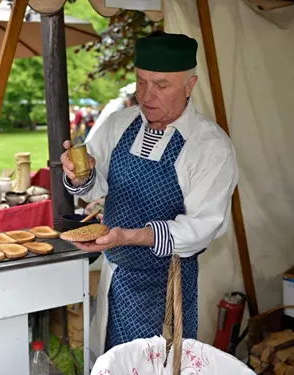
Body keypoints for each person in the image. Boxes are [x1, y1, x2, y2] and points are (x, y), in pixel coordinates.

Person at [61, 31, 238, 360]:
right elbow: (94, 186)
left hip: (168, 287)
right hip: (116, 277)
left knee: (158, 365)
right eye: (141, 82)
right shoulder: (120, 123)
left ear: (189, 85)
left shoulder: (210, 147)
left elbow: (203, 227)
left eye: (161, 85)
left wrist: (132, 236)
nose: (146, 95)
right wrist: (79, 173)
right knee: (111, 359)